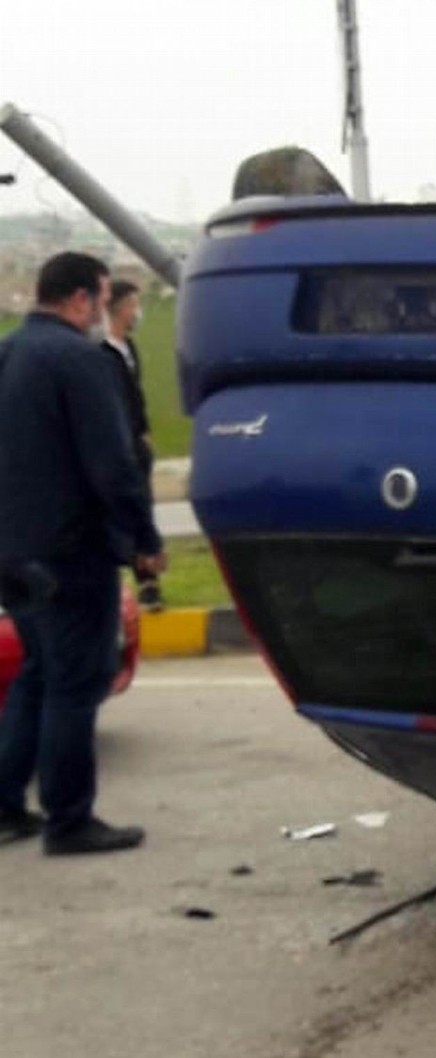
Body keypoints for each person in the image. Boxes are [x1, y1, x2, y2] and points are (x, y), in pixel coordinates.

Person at [0, 251, 166, 856]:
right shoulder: (80, 360)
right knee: (75, 684)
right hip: (72, 554)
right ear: (79, 299)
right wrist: (144, 541)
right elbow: (113, 467)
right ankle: (68, 821)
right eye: (101, 297)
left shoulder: (9, 352)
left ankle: (6, 806)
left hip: (13, 551)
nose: (105, 310)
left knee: (37, 676)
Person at [101, 278, 164, 611]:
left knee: (142, 507)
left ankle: (149, 583)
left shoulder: (129, 348)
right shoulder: (100, 353)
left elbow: (134, 396)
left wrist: (144, 431)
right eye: (134, 304)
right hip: (116, 445)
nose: (137, 312)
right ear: (120, 307)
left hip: (136, 444)